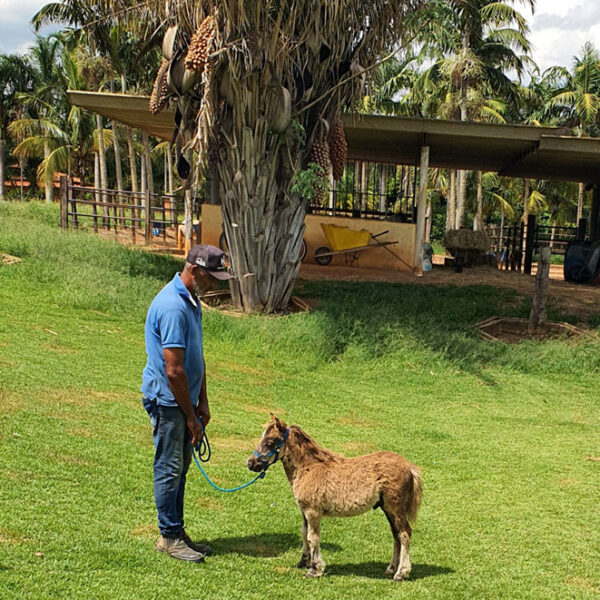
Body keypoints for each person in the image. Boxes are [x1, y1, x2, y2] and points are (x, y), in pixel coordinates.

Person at [141, 244, 234, 562]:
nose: (215, 286)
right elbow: (174, 369)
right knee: (169, 469)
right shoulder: (172, 306)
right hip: (169, 402)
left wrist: (202, 401)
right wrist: (190, 418)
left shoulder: (191, 300)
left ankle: (176, 530)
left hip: (185, 402)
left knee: (179, 469)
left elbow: (197, 357)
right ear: (194, 270)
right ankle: (168, 538)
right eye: (212, 278)